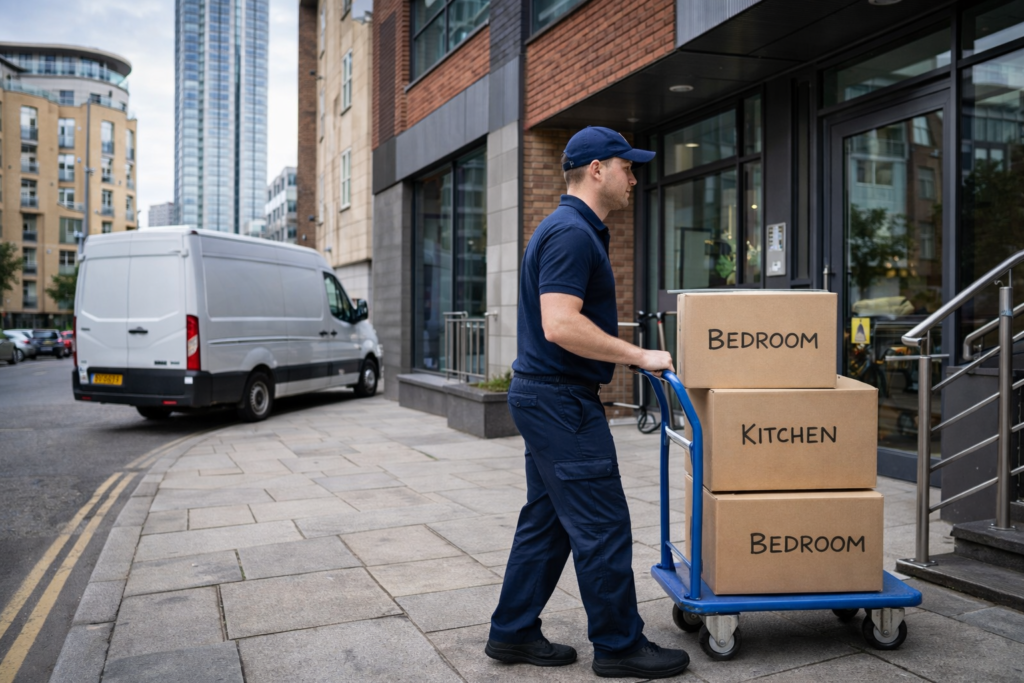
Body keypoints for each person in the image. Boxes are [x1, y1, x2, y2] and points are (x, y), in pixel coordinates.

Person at [484, 127, 690, 679]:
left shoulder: (571, 230)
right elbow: (560, 323)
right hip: (560, 401)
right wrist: (639, 355)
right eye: (628, 167)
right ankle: (620, 647)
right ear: (597, 169)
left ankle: (512, 631)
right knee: (602, 524)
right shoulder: (572, 233)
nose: (634, 177)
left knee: (548, 522)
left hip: (547, 396)